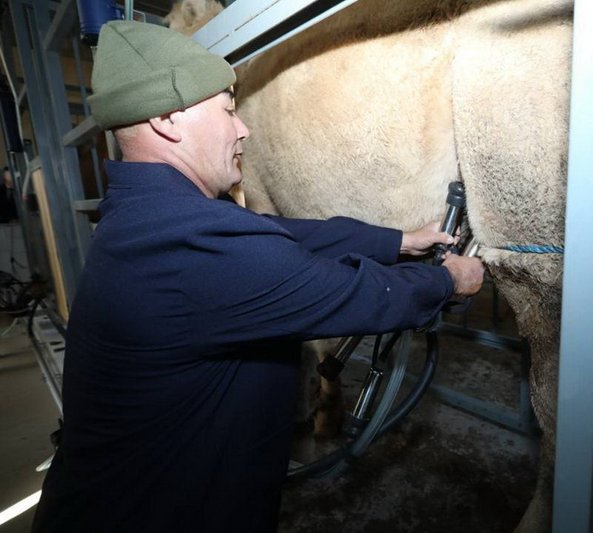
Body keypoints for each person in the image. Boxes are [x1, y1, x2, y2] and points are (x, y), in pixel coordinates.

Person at [32, 20, 485, 533]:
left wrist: (399, 240)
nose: (243, 127)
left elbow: (275, 231)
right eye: (227, 111)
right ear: (169, 121)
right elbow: (355, 295)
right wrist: (448, 281)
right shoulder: (193, 246)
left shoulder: (149, 216)